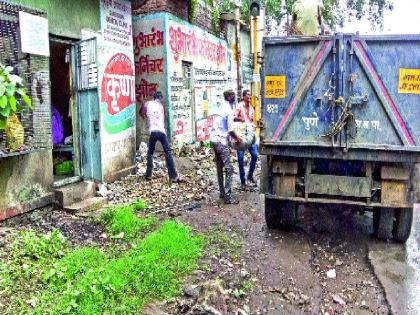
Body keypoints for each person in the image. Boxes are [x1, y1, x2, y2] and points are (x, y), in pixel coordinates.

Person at [210, 90, 240, 204]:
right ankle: (227, 196)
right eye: (233, 95)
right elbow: (231, 130)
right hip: (221, 141)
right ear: (228, 97)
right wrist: (238, 139)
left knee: (219, 168)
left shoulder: (221, 107)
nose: (235, 97)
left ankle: (222, 193)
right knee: (229, 169)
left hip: (214, 140)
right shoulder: (228, 110)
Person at [142, 91, 180, 183]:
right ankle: (173, 176)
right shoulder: (161, 106)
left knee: (150, 153)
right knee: (168, 153)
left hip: (153, 132)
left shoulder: (148, 104)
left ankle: (148, 175)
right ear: (160, 98)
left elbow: (143, 112)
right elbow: (164, 115)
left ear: (154, 97)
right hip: (161, 132)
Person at [234, 89, 258, 190]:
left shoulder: (251, 108)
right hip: (240, 135)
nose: (249, 96)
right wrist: (242, 120)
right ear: (243, 97)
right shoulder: (239, 106)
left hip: (249, 134)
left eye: (250, 95)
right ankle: (243, 181)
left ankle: (250, 175)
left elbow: (251, 120)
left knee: (255, 155)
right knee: (240, 159)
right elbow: (233, 117)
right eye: (248, 95)